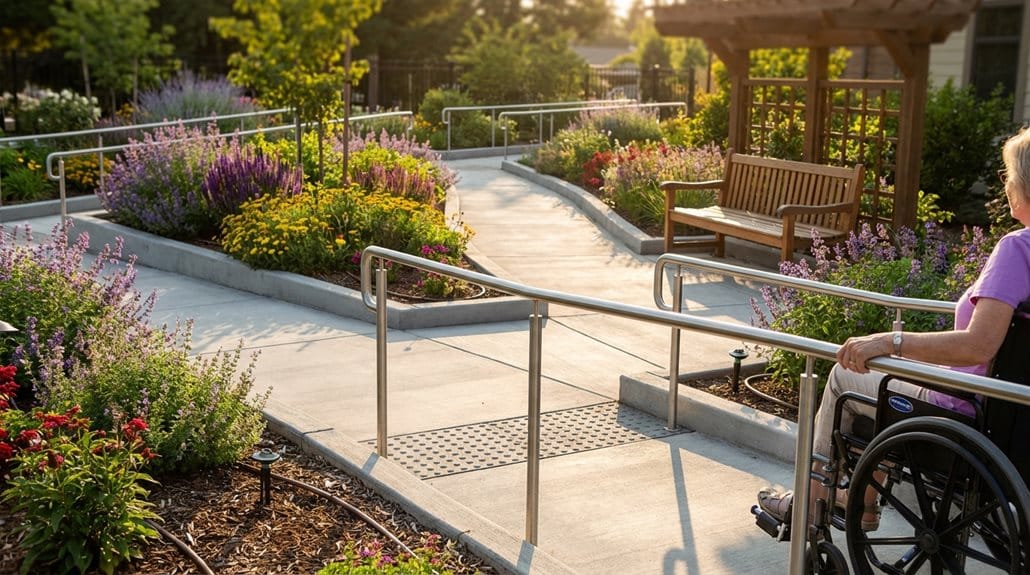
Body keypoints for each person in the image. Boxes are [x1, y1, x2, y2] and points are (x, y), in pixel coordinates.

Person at [757, 127, 1030, 533]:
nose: (1005, 184)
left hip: (967, 415)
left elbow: (978, 345)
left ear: (1022, 185)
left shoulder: (1017, 249)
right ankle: (861, 503)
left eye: (1008, 175)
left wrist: (891, 341)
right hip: (1015, 423)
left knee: (846, 375)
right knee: (888, 387)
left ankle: (812, 504)